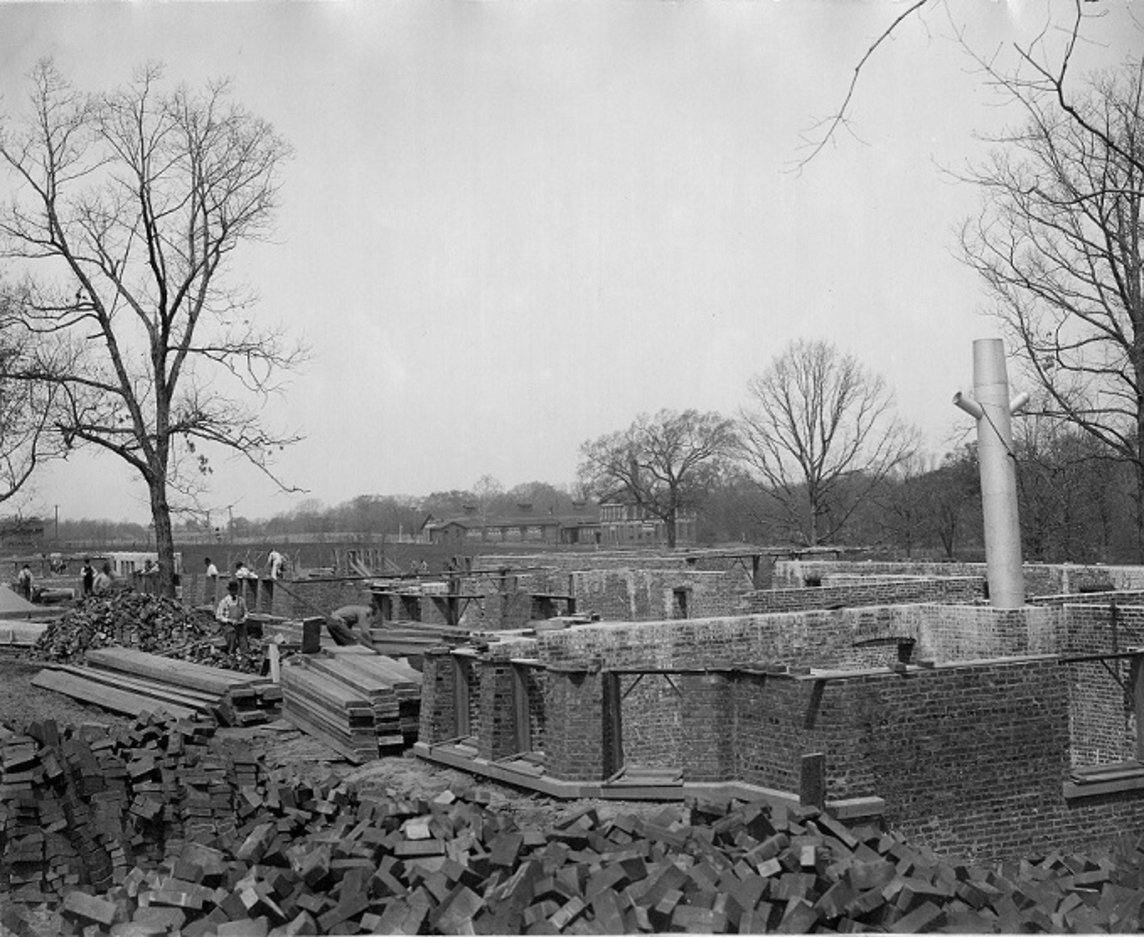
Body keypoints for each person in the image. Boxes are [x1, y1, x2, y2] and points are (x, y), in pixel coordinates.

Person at [216, 580, 250, 653]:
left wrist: (243, 619)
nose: (234, 592)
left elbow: (246, 612)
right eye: (232, 590)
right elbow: (219, 616)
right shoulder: (224, 601)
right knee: (231, 635)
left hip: (240, 624)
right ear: (229, 591)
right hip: (229, 625)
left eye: (235, 590)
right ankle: (231, 653)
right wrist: (229, 620)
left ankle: (244, 655)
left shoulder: (241, 600)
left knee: (243, 639)